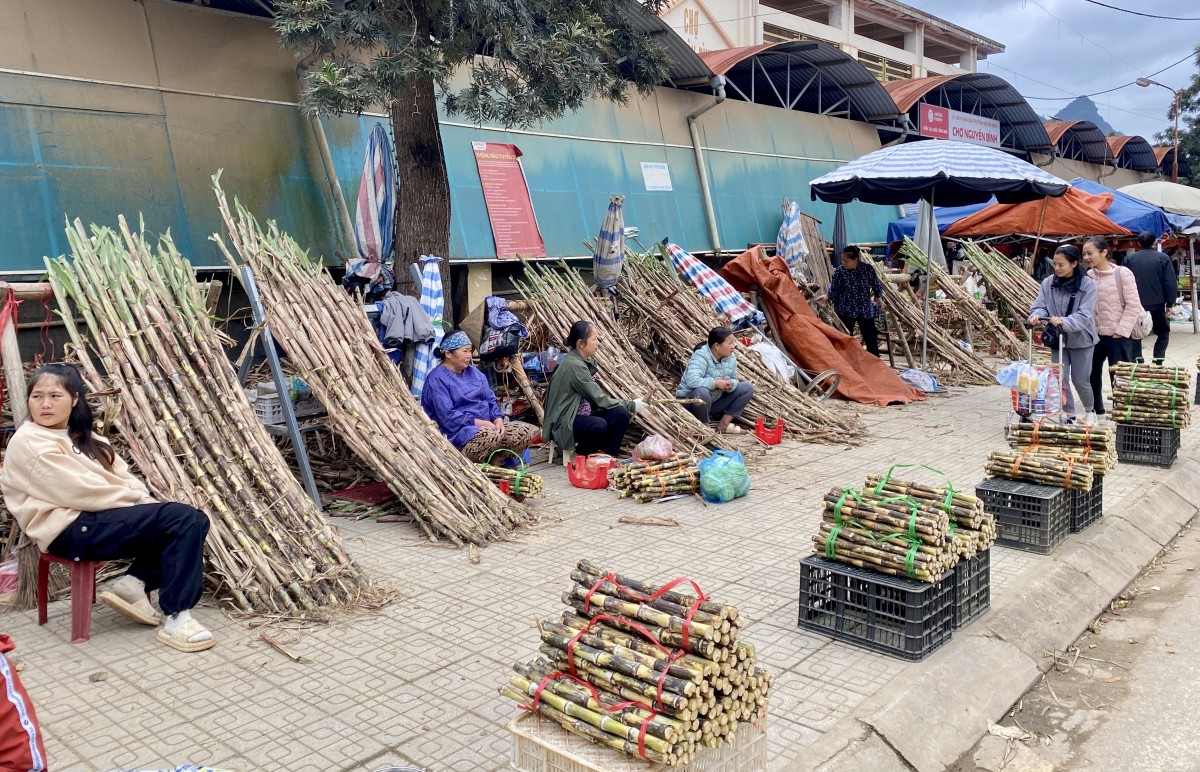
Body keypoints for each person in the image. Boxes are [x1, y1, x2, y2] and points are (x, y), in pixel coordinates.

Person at [0, 364, 214, 653]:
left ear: (74, 399)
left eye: (55, 396)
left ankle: (135, 583)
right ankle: (177, 616)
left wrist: (140, 497)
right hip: (69, 529)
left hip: (97, 519)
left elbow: (124, 476)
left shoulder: (85, 437)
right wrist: (138, 501)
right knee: (182, 518)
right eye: (37, 396)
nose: (45, 404)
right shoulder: (29, 441)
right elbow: (78, 491)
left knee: (194, 519)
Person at [420, 331, 538, 464]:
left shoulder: (475, 373)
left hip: (488, 427)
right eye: (465, 351)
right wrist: (481, 424)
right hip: (458, 433)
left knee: (523, 431)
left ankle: (496, 462)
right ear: (448, 354)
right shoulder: (436, 379)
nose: (469, 355)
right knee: (489, 435)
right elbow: (448, 417)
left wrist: (497, 419)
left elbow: (490, 399)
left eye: (470, 351)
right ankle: (470, 464)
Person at [543, 321, 647, 457]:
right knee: (597, 425)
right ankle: (580, 456)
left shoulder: (581, 361)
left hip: (579, 415)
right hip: (564, 421)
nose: (597, 343)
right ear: (581, 344)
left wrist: (627, 406)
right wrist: (632, 405)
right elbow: (599, 399)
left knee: (621, 414)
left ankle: (609, 457)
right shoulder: (575, 365)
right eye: (594, 339)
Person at [1028, 245, 1098, 422]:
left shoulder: (1087, 284)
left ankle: (1090, 410)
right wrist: (1036, 315)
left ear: (1074, 263)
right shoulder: (1048, 282)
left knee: (1080, 380)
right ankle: (1070, 415)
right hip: (1058, 339)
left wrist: (1064, 321)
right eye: (1055, 264)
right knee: (1060, 378)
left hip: (1082, 339)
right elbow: (1040, 305)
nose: (1057, 268)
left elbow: (1085, 314)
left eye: (1061, 265)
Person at [1082, 236, 1143, 418]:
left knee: (1119, 376)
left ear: (1104, 252)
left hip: (1118, 336)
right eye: (1084, 254)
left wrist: (1121, 331)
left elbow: (1133, 305)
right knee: (1091, 374)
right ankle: (1096, 409)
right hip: (1093, 335)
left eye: (1090, 253)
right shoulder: (1088, 276)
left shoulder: (1122, 273)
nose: (1086, 257)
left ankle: (1122, 411)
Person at [676, 328, 755, 435]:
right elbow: (692, 381)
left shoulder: (730, 357)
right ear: (717, 346)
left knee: (747, 388)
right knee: (701, 392)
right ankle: (705, 427)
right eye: (730, 343)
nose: (733, 346)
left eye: (733, 343)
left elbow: (733, 378)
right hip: (691, 404)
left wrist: (730, 385)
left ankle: (723, 425)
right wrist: (716, 383)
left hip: (713, 403)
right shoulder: (701, 356)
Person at [1123, 231, 1177, 363]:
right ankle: (1158, 359)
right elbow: (1170, 282)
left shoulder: (1129, 259)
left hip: (1135, 303)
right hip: (1157, 303)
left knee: (1136, 332)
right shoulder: (1163, 258)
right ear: (1154, 242)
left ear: (1138, 243)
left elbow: (1122, 281)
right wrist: (1170, 303)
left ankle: (1137, 359)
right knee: (1163, 333)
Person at [823, 245, 883, 356]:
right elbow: (834, 288)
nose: (843, 263)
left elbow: (876, 285)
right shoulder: (840, 271)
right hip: (844, 309)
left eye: (846, 261)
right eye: (842, 260)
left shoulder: (867, 269)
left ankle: (875, 362)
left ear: (855, 259)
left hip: (863, 309)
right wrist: (827, 297)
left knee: (871, 338)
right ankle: (844, 362)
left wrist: (878, 297)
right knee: (843, 339)